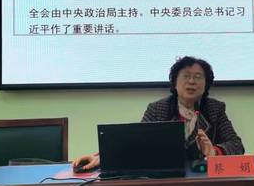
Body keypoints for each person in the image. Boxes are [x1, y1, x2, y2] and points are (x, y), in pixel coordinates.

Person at [73, 56, 244, 171]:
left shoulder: (215, 109)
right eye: (186, 76)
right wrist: (103, 157)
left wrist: (214, 152)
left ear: (206, 84)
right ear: (175, 82)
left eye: (198, 77)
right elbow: (136, 143)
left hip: (204, 179)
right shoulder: (158, 109)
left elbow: (236, 145)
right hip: (168, 178)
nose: (191, 81)